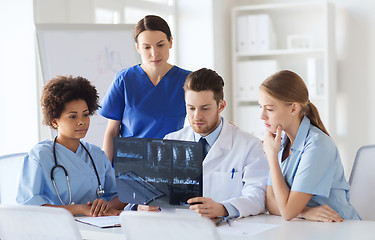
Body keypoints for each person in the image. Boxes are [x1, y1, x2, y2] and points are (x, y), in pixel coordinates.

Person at [138, 68, 269, 219]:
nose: (196, 116)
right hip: (177, 228)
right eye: (191, 108)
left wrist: (223, 208)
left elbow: (258, 196)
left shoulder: (249, 145)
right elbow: (152, 191)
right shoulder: (170, 141)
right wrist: (145, 204)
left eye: (205, 108)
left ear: (221, 106)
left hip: (226, 230)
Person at [17, 76, 126, 217]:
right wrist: (79, 209)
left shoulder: (96, 154)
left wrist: (103, 206)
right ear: (55, 121)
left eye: (85, 115)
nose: (82, 122)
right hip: (56, 228)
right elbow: (29, 206)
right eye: (73, 117)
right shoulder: (40, 155)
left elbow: (121, 196)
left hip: (97, 226)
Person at [259, 70, 361, 221]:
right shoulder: (280, 142)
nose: (262, 116)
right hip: (308, 227)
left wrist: (272, 156)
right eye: (260, 107)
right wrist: (305, 212)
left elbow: (286, 212)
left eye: (269, 109)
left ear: (294, 108)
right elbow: (271, 203)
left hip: (340, 227)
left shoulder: (317, 145)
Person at [99, 15, 191, 163]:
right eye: (147, 47)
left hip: (170, 165)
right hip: (129, 167)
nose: (154, 53)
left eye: (160, 45)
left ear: (170, 42)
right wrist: (105, 174)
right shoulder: (125, 79)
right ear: (138, 48)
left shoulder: (188, 81)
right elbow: (112, 130)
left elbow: (203, 119)